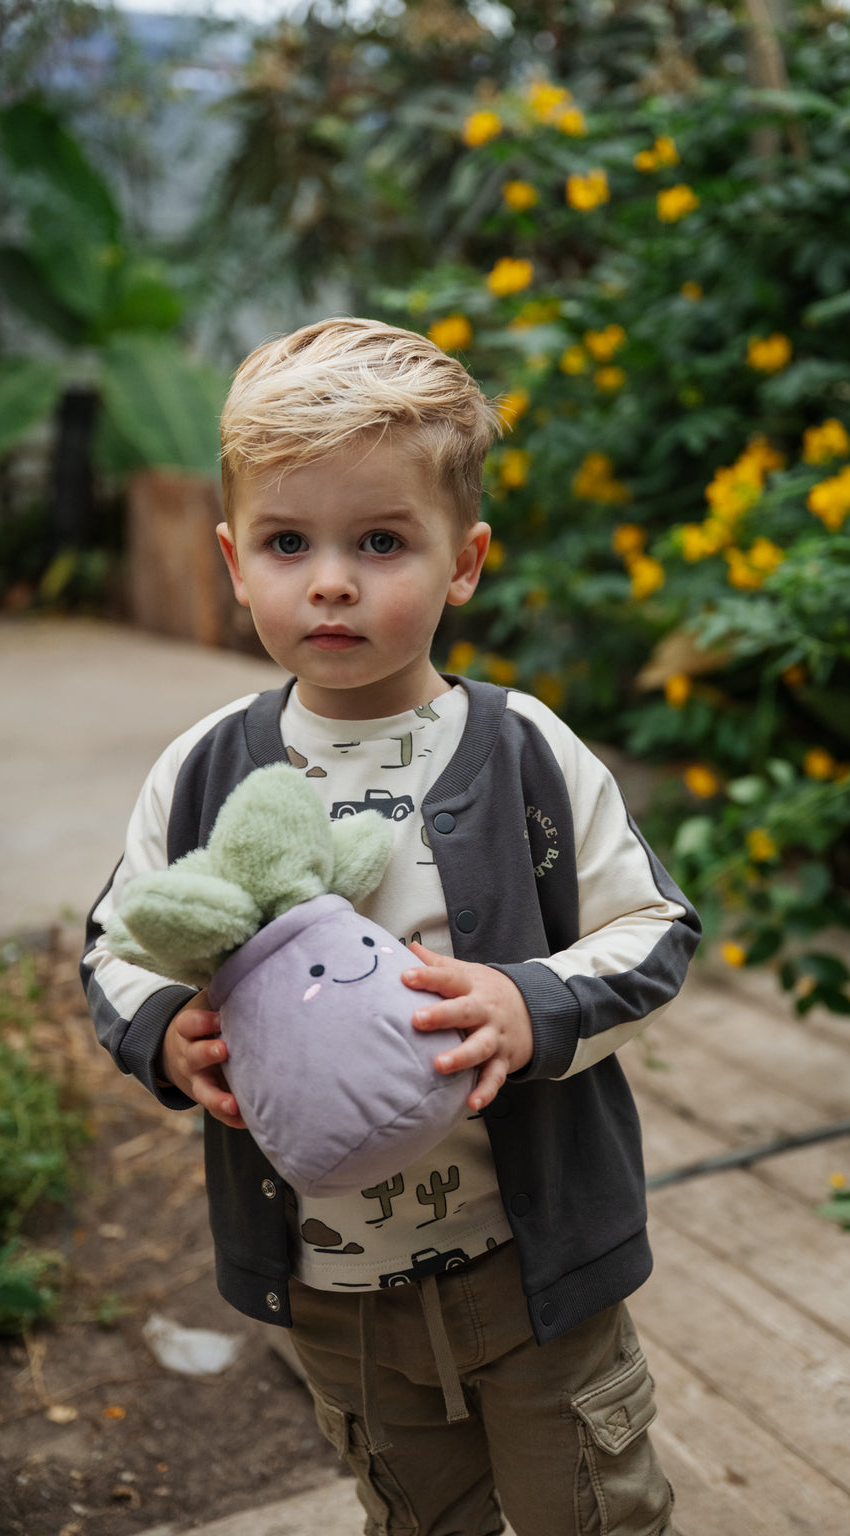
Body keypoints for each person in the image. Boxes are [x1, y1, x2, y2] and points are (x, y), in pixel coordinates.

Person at [81, 316, 702, 1536]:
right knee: (414, 1513)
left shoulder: (523, 751)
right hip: (333, 1288)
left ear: (463, 560)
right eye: (287, 542)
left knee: (592, 1506)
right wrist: (165, 1035)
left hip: (531, 1271)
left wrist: (533, 1003)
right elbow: (115, 948)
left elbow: (656, 933)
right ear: (232, 559)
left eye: (380, 541)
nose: (330, 580)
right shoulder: (205, 772)